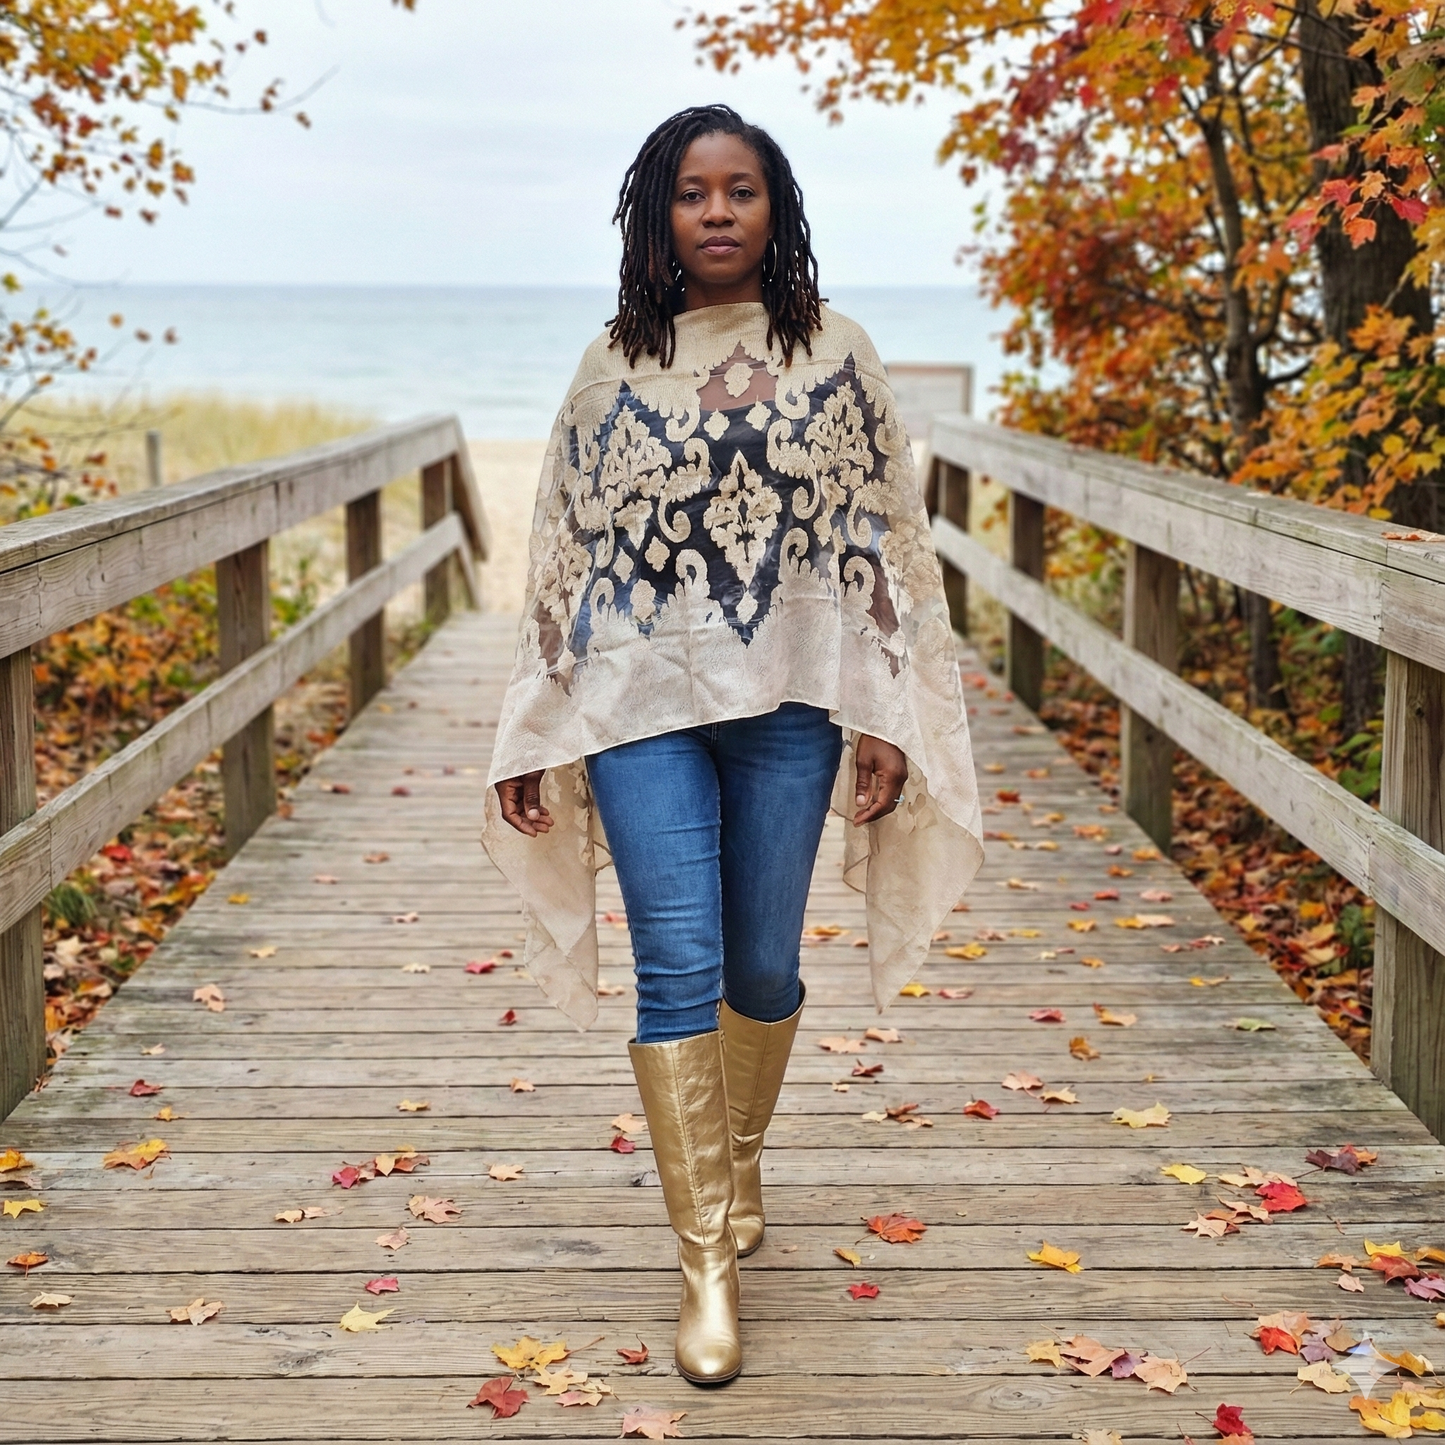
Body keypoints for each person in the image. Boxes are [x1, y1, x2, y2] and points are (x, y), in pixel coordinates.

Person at [482, 104, 982, 1386]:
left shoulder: (837, 353)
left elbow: (877, 547)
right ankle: (704, 1253)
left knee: (759, 965)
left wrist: (883, 713)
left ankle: (736, 1151)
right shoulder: (606, 366)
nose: (715, 211)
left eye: (740, 190)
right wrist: (538, 726)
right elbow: (565, 558)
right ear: (657, 215)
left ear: (776, 209)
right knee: (677, 963)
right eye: (691, 192)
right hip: (638, 710)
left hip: (789, 706)